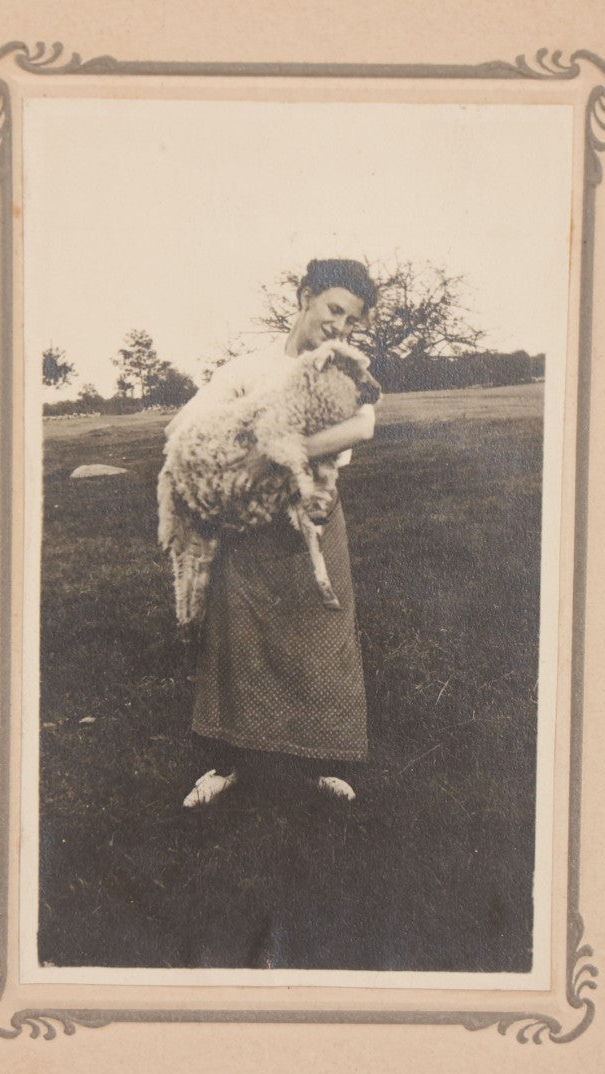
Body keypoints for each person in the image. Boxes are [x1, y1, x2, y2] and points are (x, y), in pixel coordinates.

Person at [179, 258, 379, 808]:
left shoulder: (340, 372)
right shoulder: (249, 369)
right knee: (240, 642)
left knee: (322, 639)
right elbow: (190, 430)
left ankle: (317, 762)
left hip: (315, 519)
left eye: (351, 320)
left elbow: (361, 428)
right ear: (304, 298)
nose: (339, 326)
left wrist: (283, 457)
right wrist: (246, 461)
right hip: (251, 528)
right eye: (333, 309)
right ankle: (228, 764)